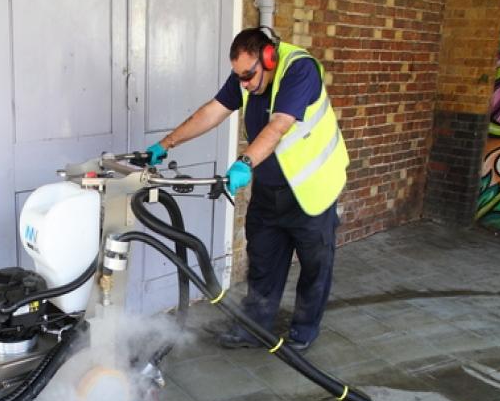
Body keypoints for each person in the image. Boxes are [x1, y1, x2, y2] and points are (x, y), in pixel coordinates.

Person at [145, 27, 348, 351]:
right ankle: (255, 328)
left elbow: (279, 125)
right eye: (238, 76)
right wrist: (165, 144)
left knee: (315, 265)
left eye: (249, 75)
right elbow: (212, 111)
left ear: (268, 59)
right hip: (270, 191)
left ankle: (304, 330)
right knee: (263, 260)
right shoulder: (245, 77)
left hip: (312, 191)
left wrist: (244, 162)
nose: (244, 84)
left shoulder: (298, 70)